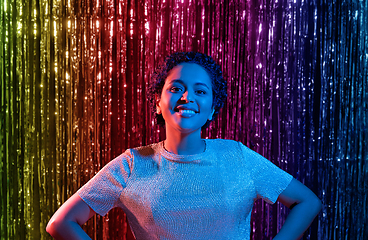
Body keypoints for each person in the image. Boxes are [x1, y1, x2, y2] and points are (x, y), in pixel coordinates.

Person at [46, 52, 322, 240]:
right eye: (176, 88)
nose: (187, 96)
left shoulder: (237, 156)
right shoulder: (132, 164)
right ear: (158, 101)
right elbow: (60, 224)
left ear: (212, 108)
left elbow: (306, 202)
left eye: (200, 91)